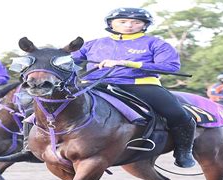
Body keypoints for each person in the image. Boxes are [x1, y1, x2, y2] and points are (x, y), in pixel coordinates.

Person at [73, 7, 196, 168]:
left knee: (178, 114)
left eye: (136, 22)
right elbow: (69, 61)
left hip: (139, 85)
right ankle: (31, 144)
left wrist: (127, 63)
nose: (129, 25)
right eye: (122, 21)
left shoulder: (156, 43)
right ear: (111, 23)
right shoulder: (92, 44)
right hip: (95, 85)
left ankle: (183, 151)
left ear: (144, 25)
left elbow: (171, 66)